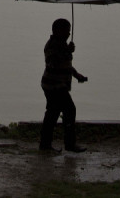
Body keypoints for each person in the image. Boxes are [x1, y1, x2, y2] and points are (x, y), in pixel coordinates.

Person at [39, 18, 88, 153]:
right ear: (56, 31)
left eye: (69, 31)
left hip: (58, 85)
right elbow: (53, 63)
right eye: (66, 30)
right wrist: (67, 51)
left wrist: (77, 75)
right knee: (68, 110)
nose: (68, 34)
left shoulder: (62, 44)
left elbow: (67, 66)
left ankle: (46, 145)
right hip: (53, 85)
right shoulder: (52, 45)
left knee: (53, 113)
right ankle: (68, 144)